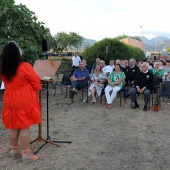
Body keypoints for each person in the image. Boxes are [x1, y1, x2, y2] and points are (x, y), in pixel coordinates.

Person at [0, 41, 41, 161]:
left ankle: (14, 149)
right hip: (23, 99)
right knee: (24, 127)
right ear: (17, 53)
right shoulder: (24, 66)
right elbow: (36, 83)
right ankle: (27, 154)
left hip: (9, 99)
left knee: (13, 126)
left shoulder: (3, 68)